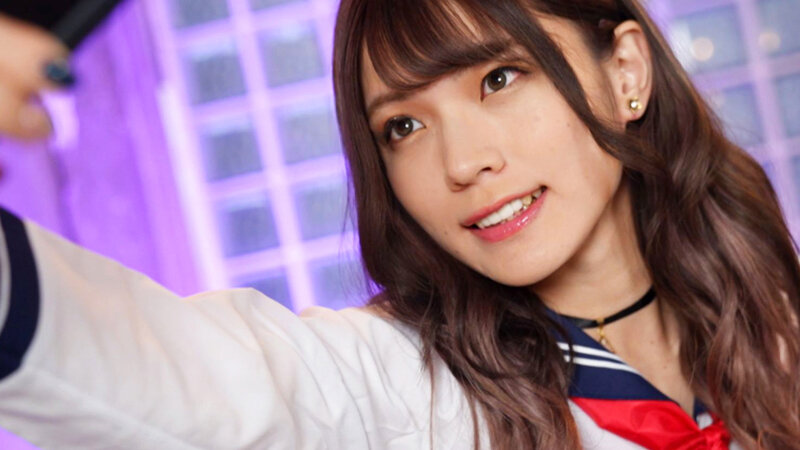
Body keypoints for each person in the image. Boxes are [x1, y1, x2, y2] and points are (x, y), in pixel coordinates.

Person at [0, 0, 798, 448]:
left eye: (499, 78)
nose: (463, 162)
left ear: (624, 71)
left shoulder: (771, 316)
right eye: (403, 127)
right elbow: (170, 378)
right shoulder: (403, 390)